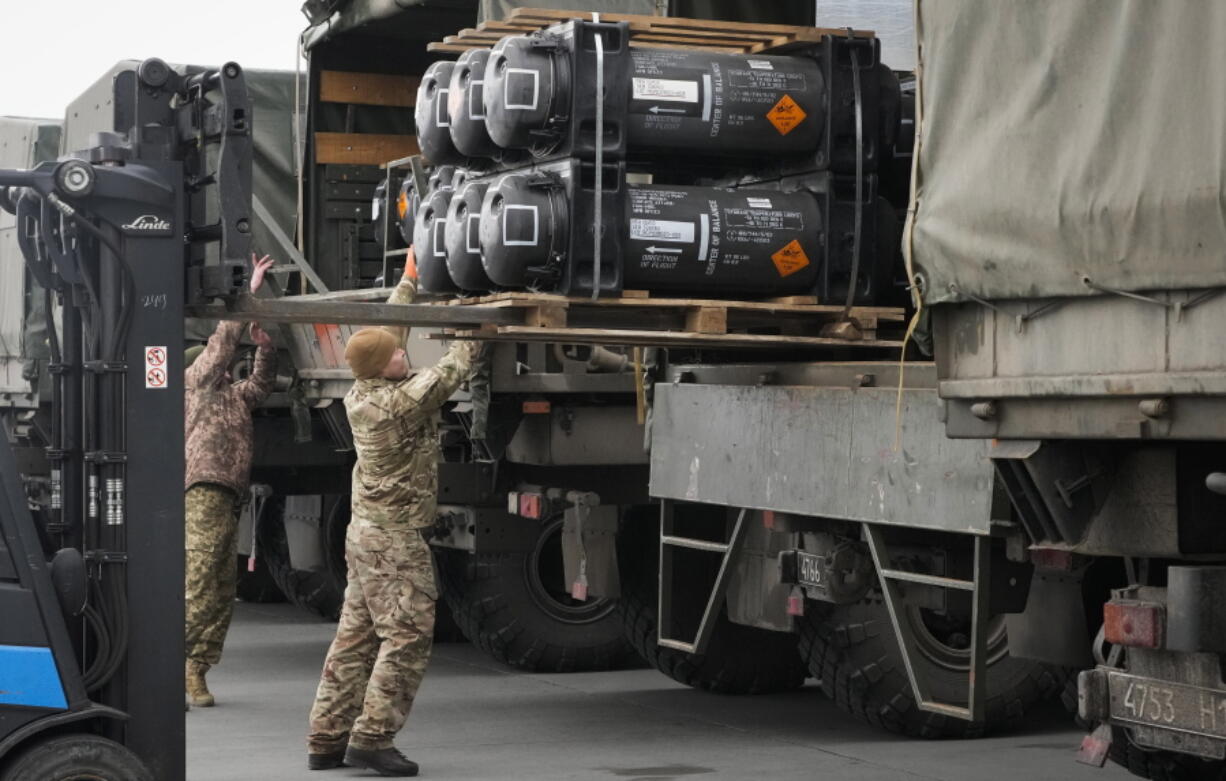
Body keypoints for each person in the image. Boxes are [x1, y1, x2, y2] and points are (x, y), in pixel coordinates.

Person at [307, 248, 483, 776]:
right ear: (387, 368)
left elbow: (390, 334)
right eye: (398, 355)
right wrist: (475, 316)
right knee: (406, 635)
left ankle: (326, 738)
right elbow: (455, 366)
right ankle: (372, 738)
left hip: (366, 537)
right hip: (394, 541)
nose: (406, 354)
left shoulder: (367, 388)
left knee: (356, 636)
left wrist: (408, 282)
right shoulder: (399, 402)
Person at [184, 253, 277, 707]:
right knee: (199, 581)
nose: (222, 364)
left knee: (222, 589)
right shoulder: (195, 385)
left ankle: (196, 670)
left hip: (228, 497)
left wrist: (264, 347)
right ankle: (173, 662)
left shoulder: (233, 397)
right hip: (203, 491)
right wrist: (250, 294)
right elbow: (221, 343)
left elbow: (261, 385)